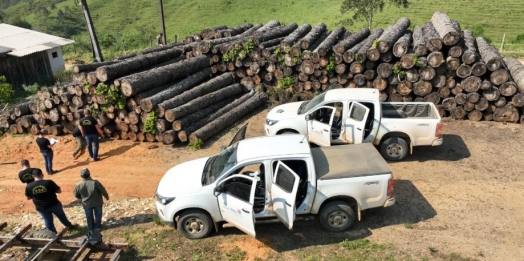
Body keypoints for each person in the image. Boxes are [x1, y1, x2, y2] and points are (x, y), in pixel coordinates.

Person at [25, 168, 77, 233]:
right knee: (61, 216)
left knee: (48, 220)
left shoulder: (29, 186)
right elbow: (59, 191)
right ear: (42, 175)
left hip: (41, 207)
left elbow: (28, 198)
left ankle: (52, 234)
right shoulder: (49, 182)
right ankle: (69, 226)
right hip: (54, 204)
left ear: (33, 176)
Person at [73, 168, 109, 232]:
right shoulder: (95, 183)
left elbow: (76, 194)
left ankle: (91, 228)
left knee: (89, 216)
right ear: (89, 174)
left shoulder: (78, 185)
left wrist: (81, 198)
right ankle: (97, 227)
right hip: (97, 202)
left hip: (86, 204)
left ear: (81, 176)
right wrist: (106, 196)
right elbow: (102, 190)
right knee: (98, 214)